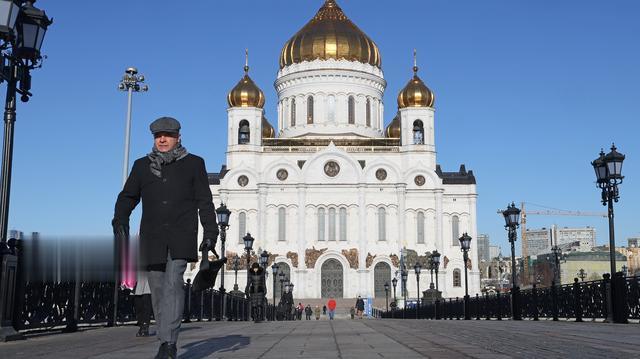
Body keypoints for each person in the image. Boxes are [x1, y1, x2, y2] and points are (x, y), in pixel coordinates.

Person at [113, 117, 219, 359]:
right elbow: (128, 196)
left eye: (167, 135)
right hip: (152, 238)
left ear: (178, 138)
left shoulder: (194, 164)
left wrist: (210, 233)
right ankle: (165, 339)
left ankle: (169, 343)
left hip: (182, 236)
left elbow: (205, 201)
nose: (162, 139)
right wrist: (120, 220)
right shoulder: (141, 166)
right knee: (158, 289)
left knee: (173, 284)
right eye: (158, 135)